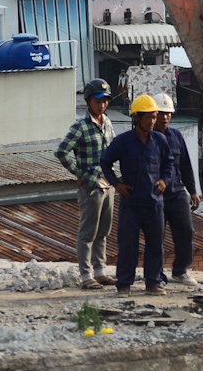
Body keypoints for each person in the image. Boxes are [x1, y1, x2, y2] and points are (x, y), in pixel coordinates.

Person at [100, 94, 171, 295]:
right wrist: (116, 184)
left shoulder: (159, 140)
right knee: (128, 245)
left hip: (154, 204)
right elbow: (105, 162)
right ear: (137, 118)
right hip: (131, 203)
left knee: (155, 245)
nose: (152, 121)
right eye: (148, 117)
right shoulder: (123, 142)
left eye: (154, 117)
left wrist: (164, 180)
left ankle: (153, 282)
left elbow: (169, 163)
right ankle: (124, 284)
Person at [55, 79, 115, 290]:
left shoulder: (108, 123)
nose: (102, 105)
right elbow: (61, 151)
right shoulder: (80, 126)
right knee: (88, 232)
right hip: (90, 186)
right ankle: (86, 274)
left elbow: (114, 150)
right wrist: (79, 174)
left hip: (108, 184)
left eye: (105, 101)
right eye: (98, 101)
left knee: (103, 231)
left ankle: (100, 272)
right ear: (89, 100)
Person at [151, 93, 200, 285]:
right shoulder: (148, 138)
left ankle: (180, 270)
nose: (165, 118)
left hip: (177, 193)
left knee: (186, 232)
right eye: (161, 113)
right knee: (157, 236)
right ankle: (156, 274)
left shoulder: (176, 136)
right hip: (157, 195)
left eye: (168, 114)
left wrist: (193, 191)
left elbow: (186, 165)